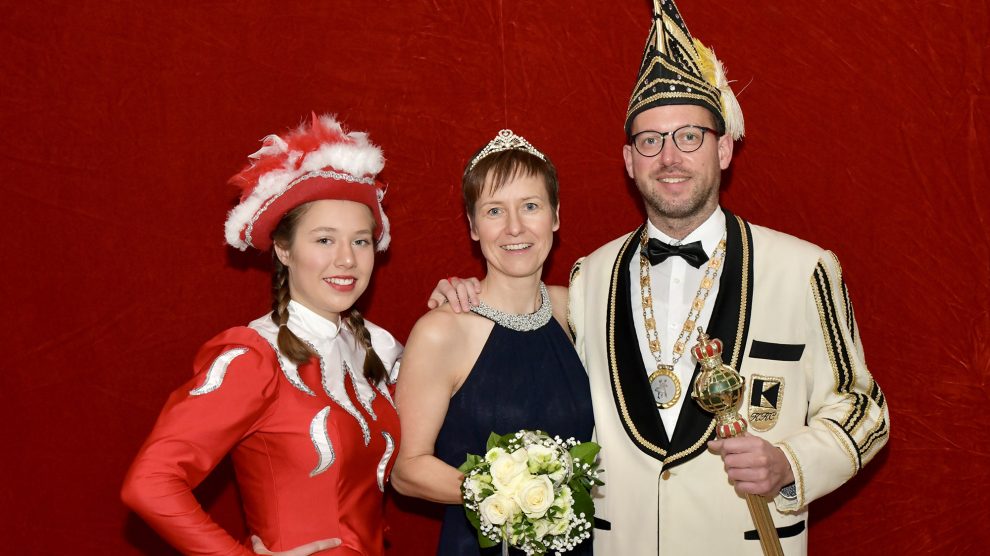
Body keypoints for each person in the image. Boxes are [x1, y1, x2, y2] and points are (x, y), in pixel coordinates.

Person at [431, 1, 890, 554]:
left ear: (723, 149)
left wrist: (789, 463)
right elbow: (521, 307)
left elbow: (865, 409)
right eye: (650, 141)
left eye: (689, 137)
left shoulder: (804, 268)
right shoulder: (589, 276)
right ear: (629, 160)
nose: (669, 157)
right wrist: (468, 294)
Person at [121, 114, 403, 556]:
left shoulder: (377, 347)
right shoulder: (255, 358)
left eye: (361, 241)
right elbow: (150, 483)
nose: (347, 259)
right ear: (284, 249)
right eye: (325, 240)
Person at [391, 130, 595, 555]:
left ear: (555, 216)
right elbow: (406, 469)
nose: (514, 228)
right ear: (472, 226)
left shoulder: (575, 310)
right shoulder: (442, 330)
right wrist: (510, 498)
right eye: (494, 211)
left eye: (531, 207)